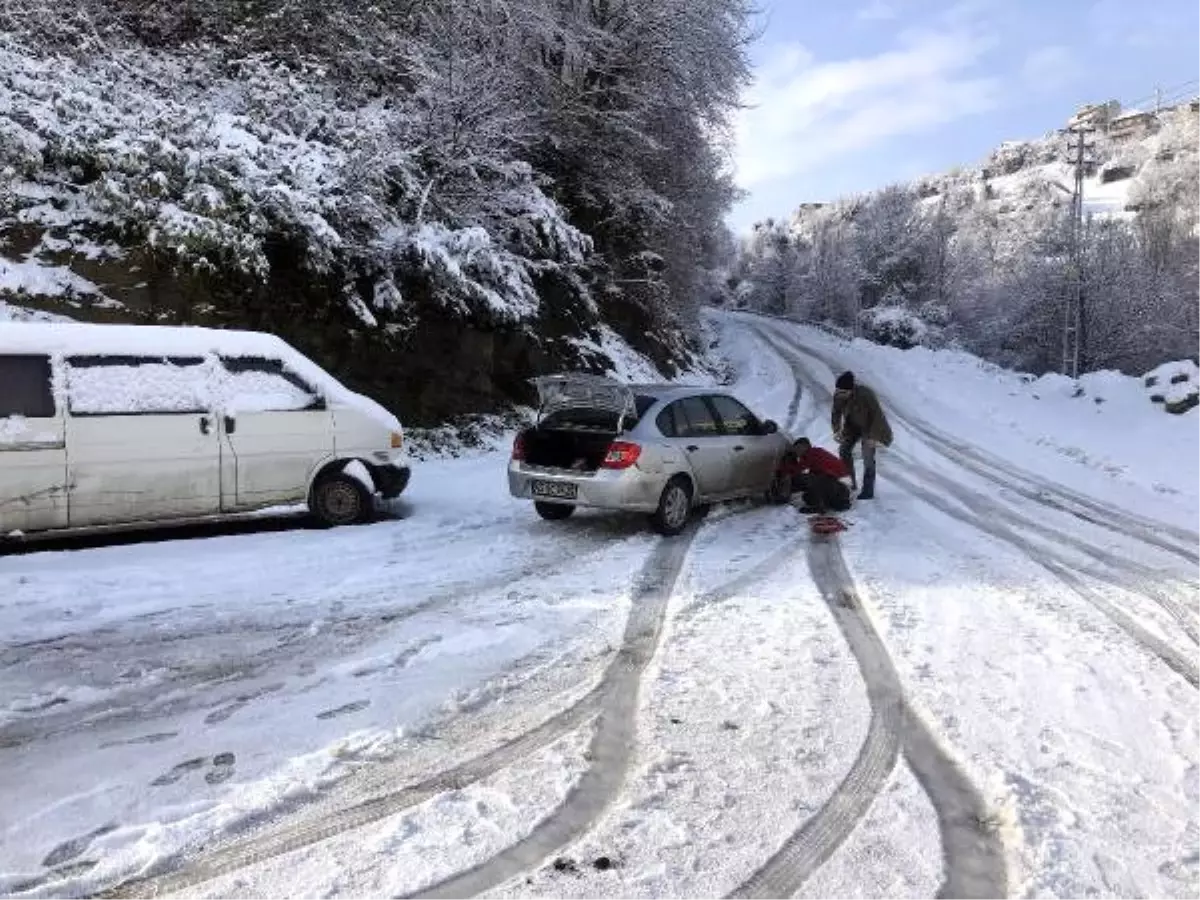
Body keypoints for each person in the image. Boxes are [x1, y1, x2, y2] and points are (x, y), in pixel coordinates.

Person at [831, 371, 892, 500]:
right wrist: (836, 430)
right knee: (843, 450)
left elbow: (877, 416)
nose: (840, 394)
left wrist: (874, 437)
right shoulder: (838, 395)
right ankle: (849, 482)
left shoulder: (866, 394)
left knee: (868, 457)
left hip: (869, 427)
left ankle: (868, 491)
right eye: (838, 391)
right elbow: (835, 413)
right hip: (852, 426)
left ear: (851, 390)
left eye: (843, 392)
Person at [780, 437, 852, 514]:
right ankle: (823, 503)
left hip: (838, 481)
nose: (796, 451)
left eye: (798, 448)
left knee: (809, 479)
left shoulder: (812, 453)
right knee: (807, 496)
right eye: (795, 449)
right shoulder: (815, 453)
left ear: (805, 446)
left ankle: (819, 507)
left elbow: (797, 470)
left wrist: (784, 467)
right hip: (838, 484)